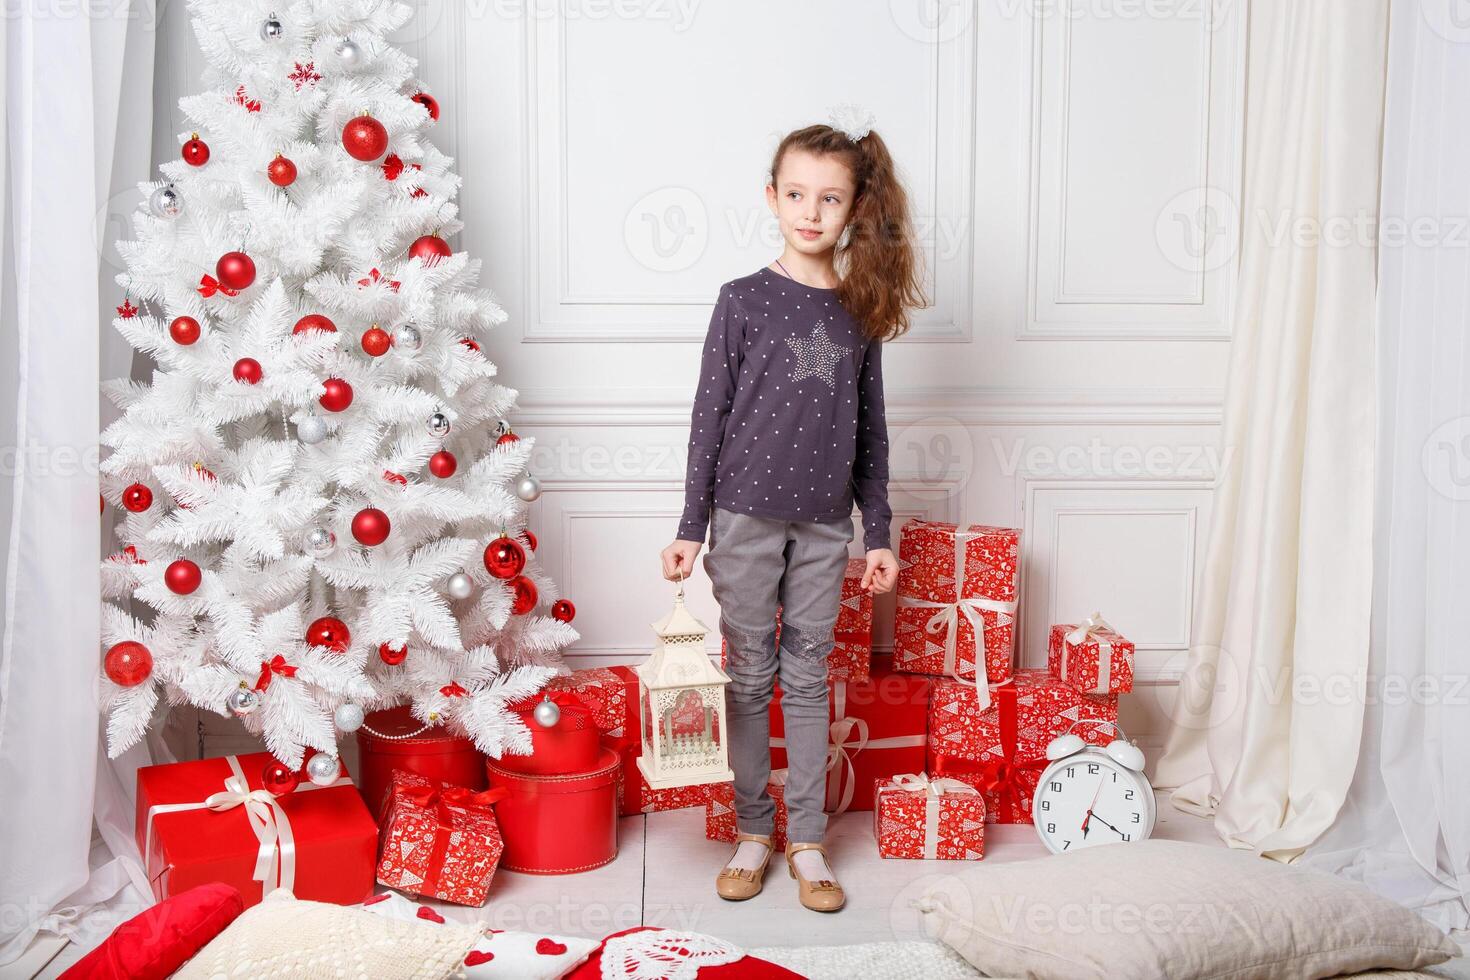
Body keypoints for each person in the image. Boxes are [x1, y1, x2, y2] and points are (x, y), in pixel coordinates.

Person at [659, 110, 925, 912]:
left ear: (853, 210)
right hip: (740, 518)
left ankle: (806, 840)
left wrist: (877, 532)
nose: (812, 213)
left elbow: (871, 431)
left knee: (809, 679)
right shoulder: (741, 300)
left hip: (822, 526)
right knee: (750, 677)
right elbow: (710, 415)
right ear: (771, 197)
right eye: (798, 195)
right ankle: (752, 829)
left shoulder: (859, 312)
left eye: (831, 200)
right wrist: (688, 525)